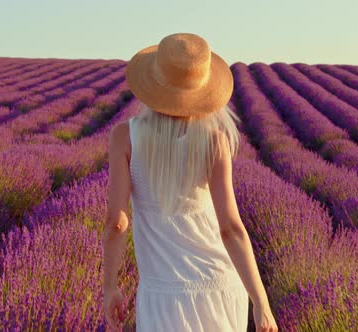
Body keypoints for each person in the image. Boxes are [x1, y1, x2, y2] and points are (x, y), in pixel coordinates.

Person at [103, 32, 278, 332]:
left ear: (154, 83)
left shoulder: (125, 137)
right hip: (218, 287)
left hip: (163, 297)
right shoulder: (213, 140)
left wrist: (110, 287)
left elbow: (116, 223)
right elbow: (231, 229)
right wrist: (260, 301)